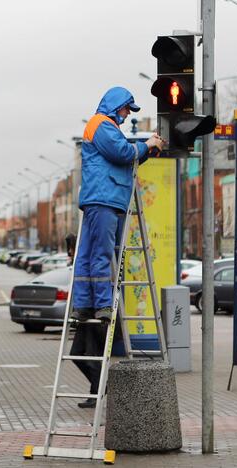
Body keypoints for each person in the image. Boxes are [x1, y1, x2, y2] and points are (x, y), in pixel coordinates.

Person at [70, 87, 164, 409]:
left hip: (107, 199)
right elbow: (122, 154)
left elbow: (127, 154)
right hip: (105, 199)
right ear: (117, 107)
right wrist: (146, 145)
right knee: (99, 257)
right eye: (126, 110)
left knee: (92, 257)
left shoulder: (106, 128)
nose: (127, 116)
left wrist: (148, 149)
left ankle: (88, 303)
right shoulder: (101, 125)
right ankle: (100, 305)